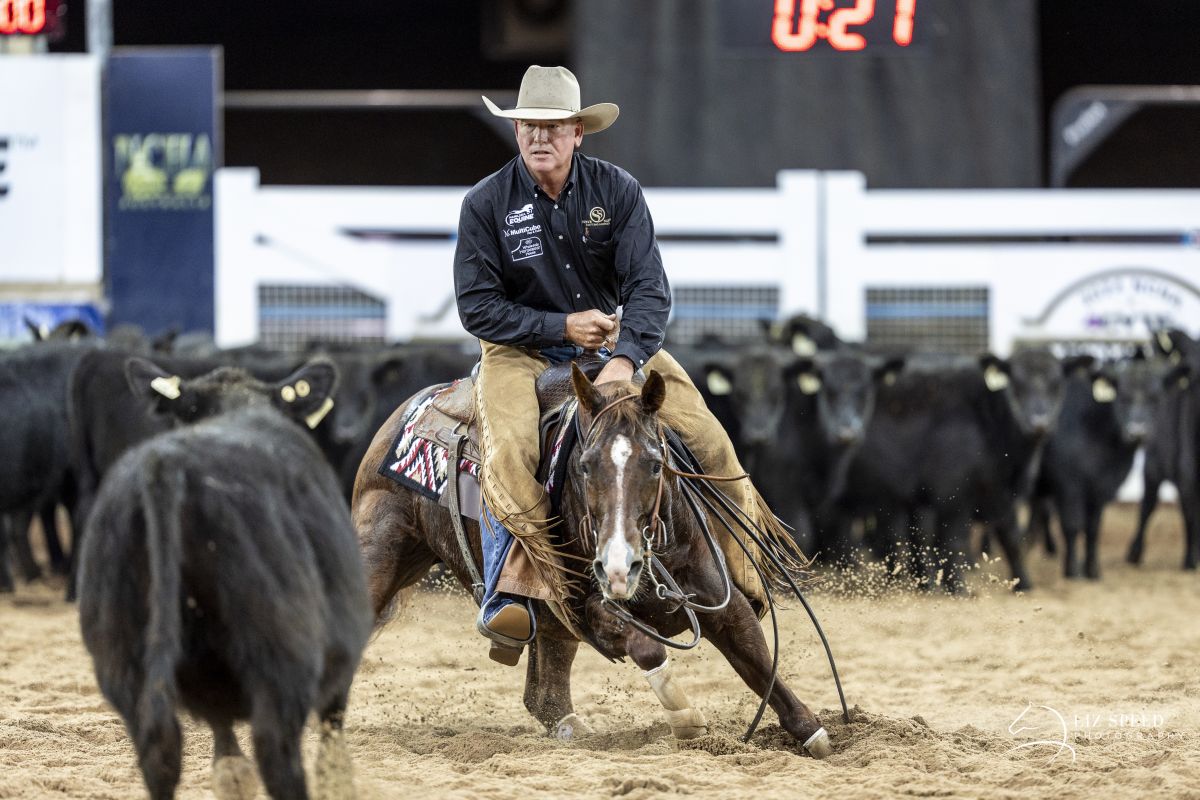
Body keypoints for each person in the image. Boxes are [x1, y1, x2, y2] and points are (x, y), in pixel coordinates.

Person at [453, 65, 790, 664]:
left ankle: (745, 576)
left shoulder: (618, 192)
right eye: (529, 125)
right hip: (517, 353)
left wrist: (626, 356)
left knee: (711, 439)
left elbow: (649, 290)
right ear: (516, 131)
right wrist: (559, 327)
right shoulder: (485, 204)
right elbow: (478, 309)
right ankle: (511, 593)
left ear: (579, 133)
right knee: (507, 450)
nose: (540, 137)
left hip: (612, 344)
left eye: (554, 127)